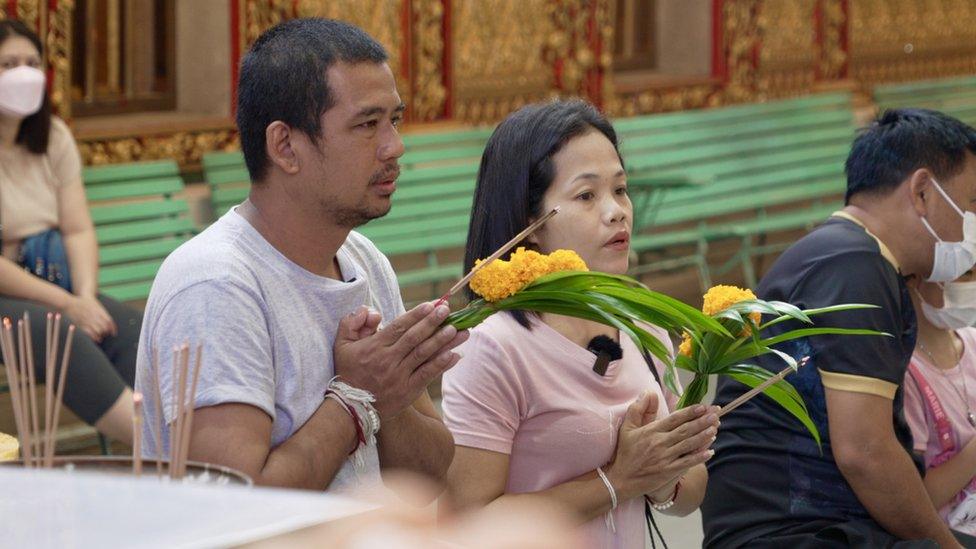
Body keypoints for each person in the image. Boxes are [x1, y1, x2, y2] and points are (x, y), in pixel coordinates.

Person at [134, 18, 465, 492]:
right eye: (368, 125)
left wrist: (386, 395)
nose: (395, 146)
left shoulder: (364, 260)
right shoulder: (215, 284)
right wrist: (354, 400)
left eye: (394, 120)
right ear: (286, 147)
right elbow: (235, 508)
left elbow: (428, 474)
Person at [439, 100, 719, 548]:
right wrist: (618, 479)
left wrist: (662, 475)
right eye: (586, 195)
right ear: (531, 223)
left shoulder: (642, 325)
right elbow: (471, 523)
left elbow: (691, 492)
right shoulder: (493, 346)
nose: (617, 211)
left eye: (621, 190)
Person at [700, 108, 976, 548]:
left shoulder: (848, 256)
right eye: (971, 202)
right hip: (789, 533)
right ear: (923, 192)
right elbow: (865, 453)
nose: (971, 222)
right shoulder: (855, 267)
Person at [0, 20, 139, 445]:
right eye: (8, 64)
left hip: (54, 282)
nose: (24, 73)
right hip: (11, 294)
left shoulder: (53, 137)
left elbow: (77, 229)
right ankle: (158, 446)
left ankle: (170, 430)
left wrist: (85, 295)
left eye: (32, 63)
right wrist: (69, 305)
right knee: (61, 329)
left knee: (126, 324)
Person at [904, 273, 976, 534]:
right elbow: (919, 500)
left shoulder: (972, 340)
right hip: (951, 533)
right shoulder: (905, 372)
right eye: (966, 274)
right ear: (915, 279)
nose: (973, 285)